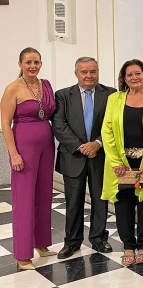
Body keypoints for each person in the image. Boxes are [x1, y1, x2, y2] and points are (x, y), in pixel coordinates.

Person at [53, 57, 115, 259]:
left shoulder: (111, 94)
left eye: (93, 71)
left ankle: (99, 239)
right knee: (73, 202)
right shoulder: (63, 95)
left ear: (98, 72)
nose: (89, 76)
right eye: (84, 72)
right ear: (76, 73)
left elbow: (113, 123)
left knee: (100, 200)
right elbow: (59, 124)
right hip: (73, 156)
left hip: (100, 154)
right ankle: (72, 242)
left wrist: (97, 143)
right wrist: (81, 146)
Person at [1, 48, 56, 270]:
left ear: (41, 64)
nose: (32, 66)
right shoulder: (13, 88)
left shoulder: (46, 85)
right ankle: (23, 254)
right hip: (23, 144)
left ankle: (41, 243)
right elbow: (5, 124)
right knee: (24, 198)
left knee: (44, 194)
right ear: (20, 64)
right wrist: (13, 153)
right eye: (28, 62)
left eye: (36, 62)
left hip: (46, 144)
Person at [101, 60, 143, 266]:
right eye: (129, 75)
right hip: (121, 163)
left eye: (138, 73)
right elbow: (106, 130)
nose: (134, 77)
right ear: (124, 79)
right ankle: (128, 246)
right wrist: (117, 161)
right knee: (123, 204)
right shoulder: (114, 99)